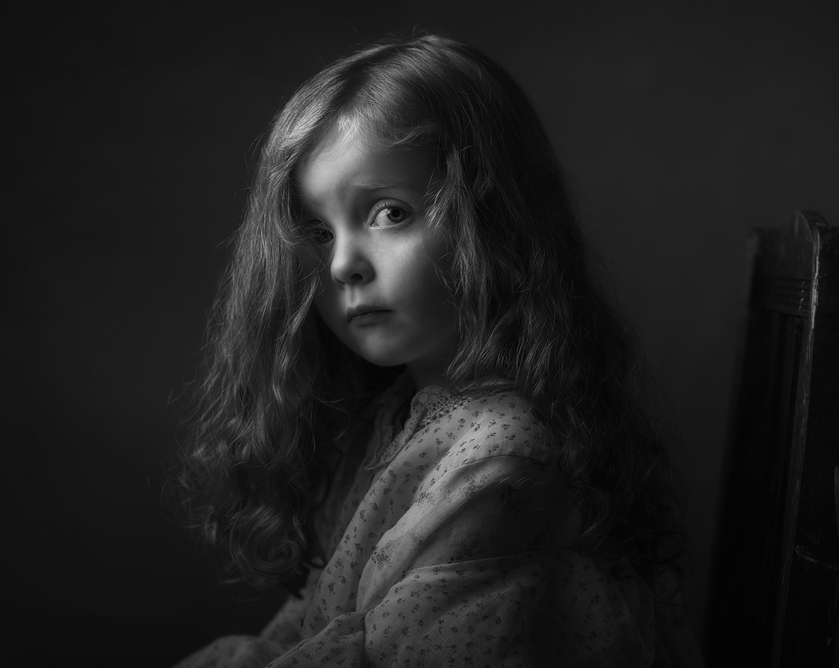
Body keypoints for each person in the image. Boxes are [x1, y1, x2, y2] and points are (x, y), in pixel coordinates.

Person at [173, 33, 704, 667]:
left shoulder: (501, 462)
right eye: (317, 231)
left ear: (495, 218)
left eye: (390, 213)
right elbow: (316, 625)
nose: (342, 265)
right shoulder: (398, 413)